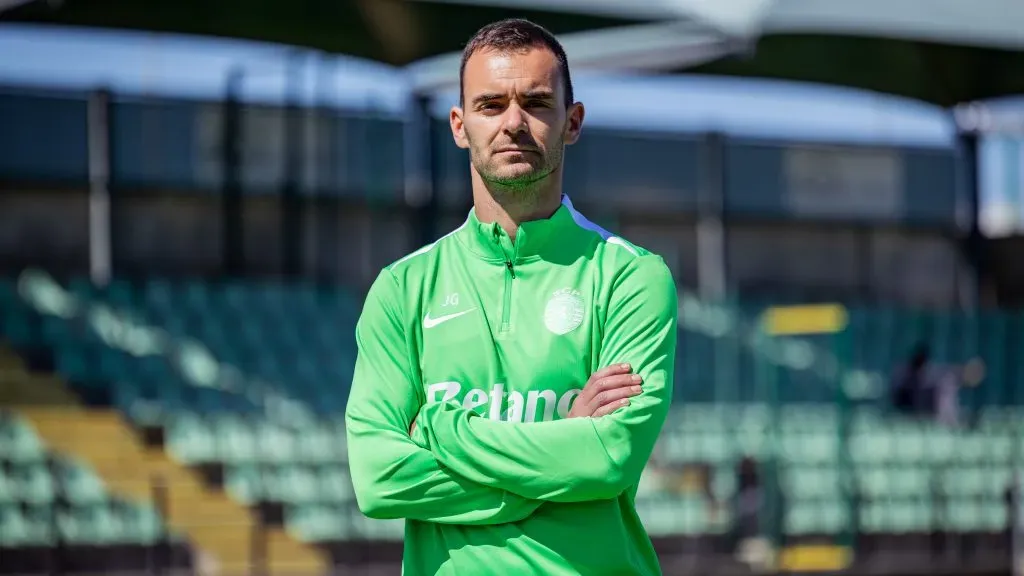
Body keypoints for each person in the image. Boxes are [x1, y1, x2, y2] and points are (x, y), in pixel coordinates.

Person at [344, 18, 678, 576]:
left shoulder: (631, 277)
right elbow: (378, 479)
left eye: (537, 103)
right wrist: (558, 447)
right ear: (459, 124)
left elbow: (608, 457)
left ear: (572, 122)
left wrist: (441, 430)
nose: (513, 123)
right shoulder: (402, 288)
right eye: (491, 104)